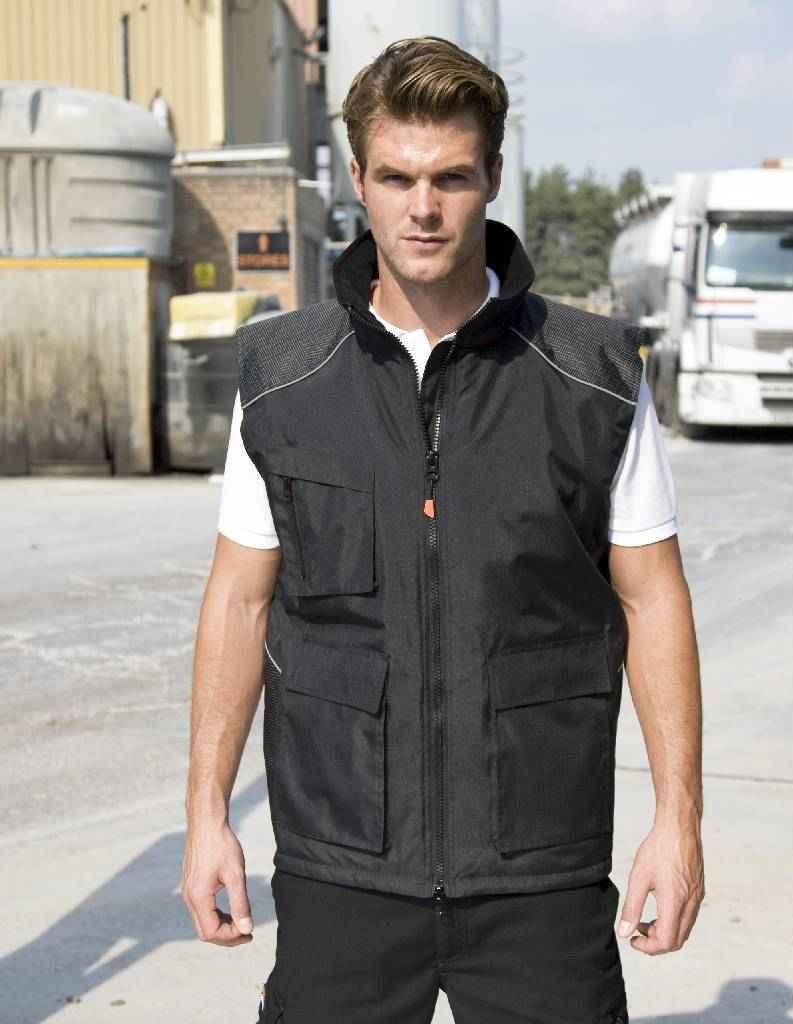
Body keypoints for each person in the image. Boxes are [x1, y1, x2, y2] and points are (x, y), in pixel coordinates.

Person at [180, 35, 704, 1024]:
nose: (422, 207)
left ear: (492, 178)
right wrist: (207, 813)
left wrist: (678, 823)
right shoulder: (282, 378)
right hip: (342, 865)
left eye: (451, 178)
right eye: (396, 177)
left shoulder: (592, 375)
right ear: (358, 180)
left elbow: (653, 598)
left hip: (538, 868)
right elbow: (240, 601)